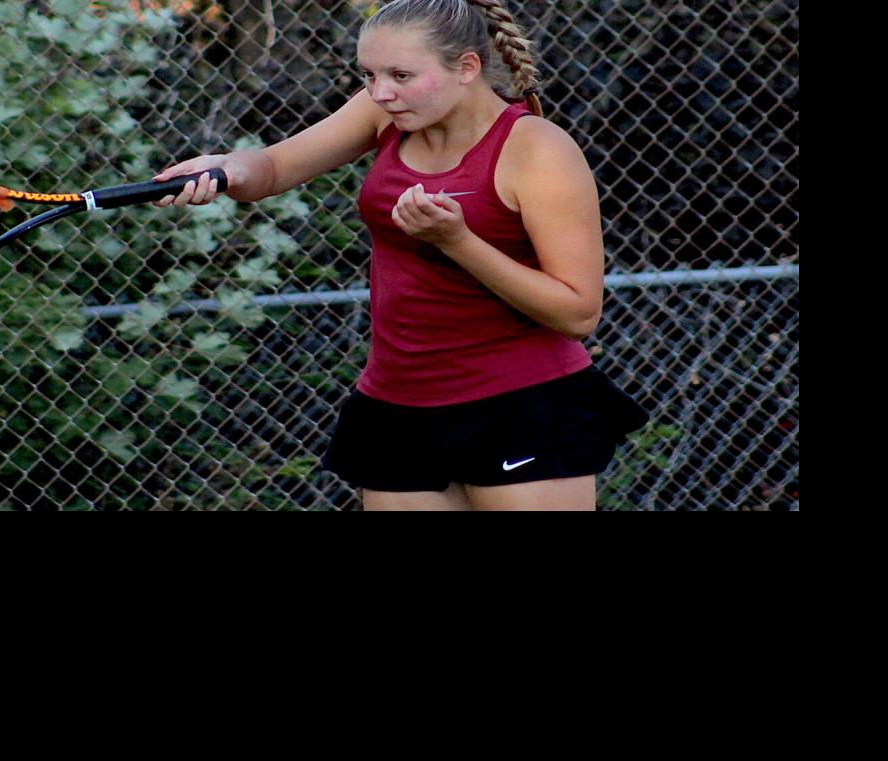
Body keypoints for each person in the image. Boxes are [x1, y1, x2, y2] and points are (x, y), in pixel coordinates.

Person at [152, 0, 648, 511]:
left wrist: (457, 242)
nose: (380, 92)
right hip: (396, 405)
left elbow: (576, 312)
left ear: (467, 67)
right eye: (369, 75)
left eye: (401, 75)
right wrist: (228, 168)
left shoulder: (538, 149)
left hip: (521, 403)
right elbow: (274, 168)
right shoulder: (386, 114)